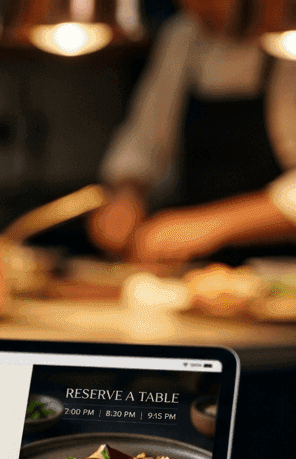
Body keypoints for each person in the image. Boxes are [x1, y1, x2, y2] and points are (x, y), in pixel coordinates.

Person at [87, 0, 296, 264]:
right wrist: (126, 196)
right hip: (196, 271)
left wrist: (212, 224)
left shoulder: (288, 39)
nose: (197, 9)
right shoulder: (183, 36)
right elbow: (144, 146)